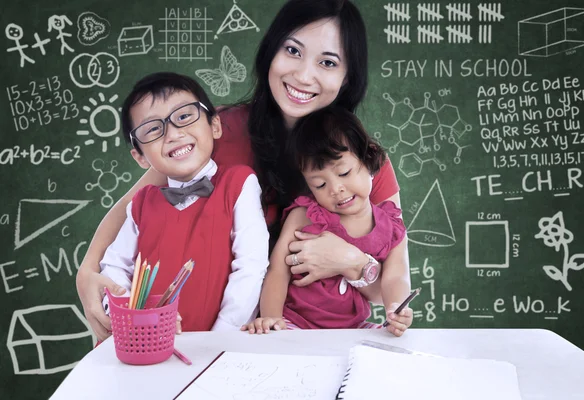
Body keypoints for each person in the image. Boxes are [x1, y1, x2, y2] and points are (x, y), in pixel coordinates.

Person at [76, 0, 413, 341]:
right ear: (270, 51)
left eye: (327, 62)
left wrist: (352, 263)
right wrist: (87, 274)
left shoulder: (363, 162)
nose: (303, 75)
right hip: (208, 335)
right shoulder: (213, 131)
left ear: (347, 77)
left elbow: (385, 285)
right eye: (292, 50)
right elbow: (136, 209)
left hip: (323, 338)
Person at [98, 72, 269, 332]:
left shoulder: (238, 183)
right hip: (147, 342)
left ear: (215, 125)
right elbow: (115, 265)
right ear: (140, 157)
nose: (173, 134)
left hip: (218, 344)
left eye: (184, 117)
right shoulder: (141, 204)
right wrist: (131, 317)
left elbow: (250, 266)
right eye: (153, 129)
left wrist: (222, 336)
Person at [242, 107, 410, 336]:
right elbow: (278, 271)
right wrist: (271, 318)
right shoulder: (304, 216)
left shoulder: (391, 227)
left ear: (369, 159)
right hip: (295, 323)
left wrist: (396, 308)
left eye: (344, 173)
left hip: (352, 327)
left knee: (383, 348)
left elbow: (396, 276)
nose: (336, 189)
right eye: (320, 185)